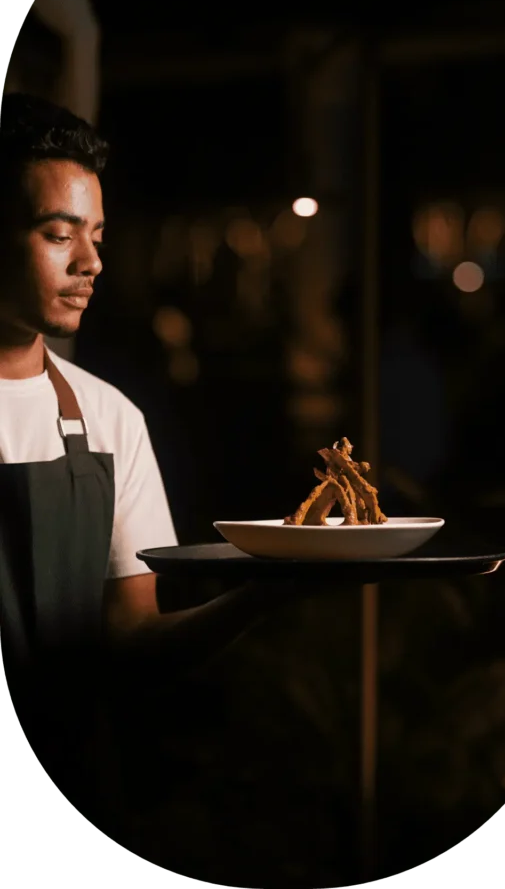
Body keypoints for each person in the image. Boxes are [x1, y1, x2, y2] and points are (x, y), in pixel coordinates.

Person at [0, 92, 296, 821]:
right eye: (58, 233)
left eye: (97, 234)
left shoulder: (109, 421)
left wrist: (268, 591)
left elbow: (131, 640)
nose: (92, 261)